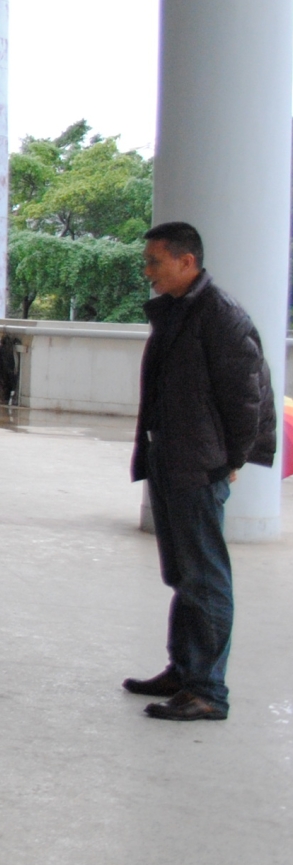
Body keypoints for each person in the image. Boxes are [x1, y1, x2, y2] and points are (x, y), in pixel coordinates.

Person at [124, 222, 275, 722]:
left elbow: (248, 399)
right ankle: (185, 670)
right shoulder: (178, 312)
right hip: (170, 458)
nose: (147, 271)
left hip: (197, 466)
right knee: (183, 574)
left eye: (154, 261)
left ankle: (208, 690)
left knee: (205, 579)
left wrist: (230, 460)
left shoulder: (219, 316)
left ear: (186, 262)